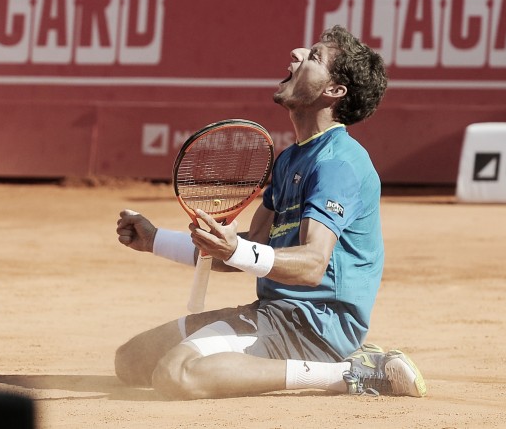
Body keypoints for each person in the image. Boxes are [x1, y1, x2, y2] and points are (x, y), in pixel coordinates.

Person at [114, 25, 427, 400]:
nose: (296, 53)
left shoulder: (336, 164)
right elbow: (247, 251)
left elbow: (312, 264)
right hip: (274, 311)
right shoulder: (290, 159)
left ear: (334, 91)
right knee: (132, 362)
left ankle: (348, 373)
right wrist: (155, 240)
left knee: (176, 373)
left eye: (313, 57)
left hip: (313, 324)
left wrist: (236, 251)